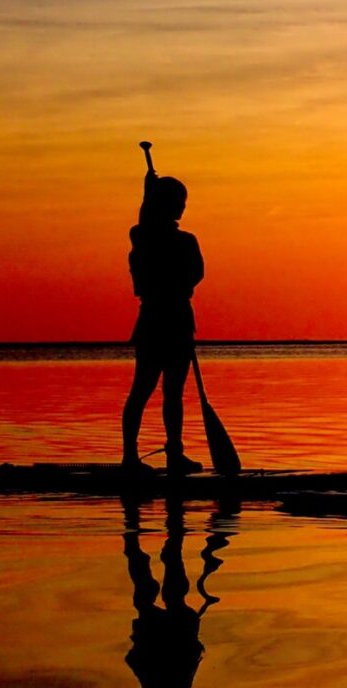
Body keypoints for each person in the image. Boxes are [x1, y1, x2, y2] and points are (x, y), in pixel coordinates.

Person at [122, 166, 204, 475]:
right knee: (142, 389)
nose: (182, 207)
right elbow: (144, 227)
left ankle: (174, 453)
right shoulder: (143, 237)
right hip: (155, 321)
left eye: (184, 201)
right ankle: (130, 457)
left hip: (179, 321)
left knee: (174, 392)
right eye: (178, 201)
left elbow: (197, 273)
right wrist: (147, 195)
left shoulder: (186, 240)